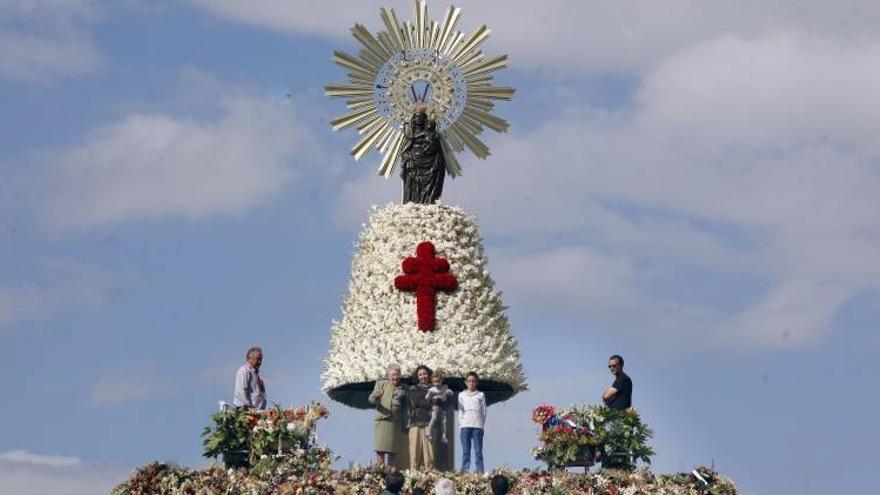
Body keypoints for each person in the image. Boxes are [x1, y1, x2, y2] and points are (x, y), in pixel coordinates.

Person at [369, 364, 409, 469]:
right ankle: (380, 477)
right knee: (380, 451)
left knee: (394, 452)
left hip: (396, 423)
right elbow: (371, 400)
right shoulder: (381, 384)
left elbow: (407, 408)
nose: (395, 377)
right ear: (388, 376)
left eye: (397, 375)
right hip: (382, 422)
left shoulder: (404, 388)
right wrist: (375, 396)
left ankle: (392, 477)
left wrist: (406, 425)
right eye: (393, 375)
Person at [458, 371, 487, 473]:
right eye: (469, 381)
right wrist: (461, 424)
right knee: (466, 451)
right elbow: (460, 410)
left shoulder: (480, 395)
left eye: (473, 381)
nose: (471, 383)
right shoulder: (461, 395)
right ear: (466, 382)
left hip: (477, 426)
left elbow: (484, 411)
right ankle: (464, 471)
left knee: (478, 451)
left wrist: (482, 425)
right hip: (465, 425)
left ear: (476, 382)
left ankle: (480, 471)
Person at [407, 364, 435, 470]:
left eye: (424, 374)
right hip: (415, 424)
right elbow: (417, 402)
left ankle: (429, 479)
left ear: (429, 375)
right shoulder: (413, 389)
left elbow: (437, 403)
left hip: (430, 425)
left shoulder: (435, 388)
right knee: (414, 454)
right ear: (417, 377)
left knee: (429, 455)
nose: (423, 376)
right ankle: (413, 479)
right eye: (420, 375)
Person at [425, 369, 454, 443]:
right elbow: (427, 398)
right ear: (432, 381)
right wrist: (430, 398)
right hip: (435, 406)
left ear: (441, 380)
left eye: (438, 381)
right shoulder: (432, 390)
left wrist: (449, 392)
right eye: (435, 382)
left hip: (442, 407)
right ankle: (429, 431)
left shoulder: (444, 388)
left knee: (444, 421)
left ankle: (444, 436)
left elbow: (451, 392)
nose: (437, 384)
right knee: (434, 418)